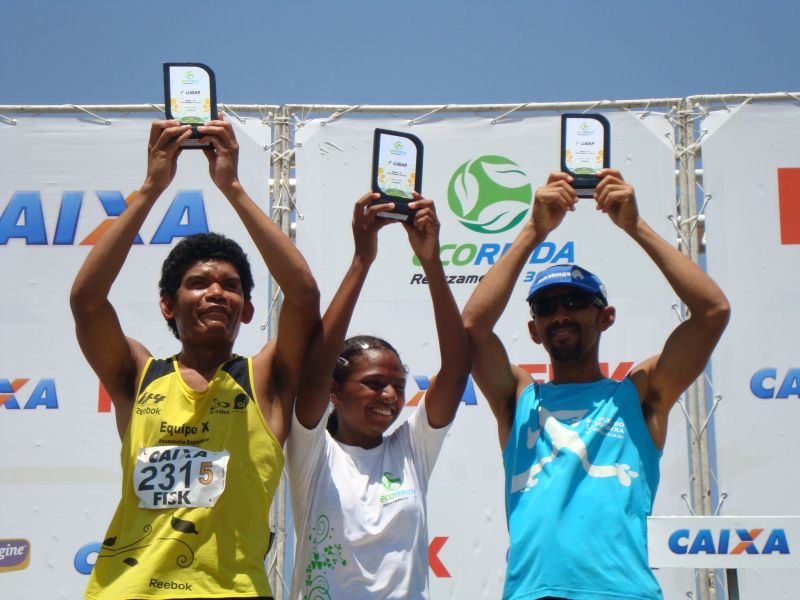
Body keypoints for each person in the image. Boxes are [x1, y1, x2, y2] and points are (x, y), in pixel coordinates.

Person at [71, 118, 319, 600]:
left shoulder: (265, 378)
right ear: (168, 305)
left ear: (247, 310)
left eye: (230, 286)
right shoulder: (138, 375)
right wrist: (151, 186)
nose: (216, 293)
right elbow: (87, 303)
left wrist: (231, 186)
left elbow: (304, 296)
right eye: (199, 283)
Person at [461, 170, 730, 600]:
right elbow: (472, 328)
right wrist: (534, 229)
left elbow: (712, 312)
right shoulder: (519, 397)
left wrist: (635, 226)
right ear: (534, 330)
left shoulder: (638, 394)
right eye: (547, 307)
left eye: (576, 302)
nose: (561, 314)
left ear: (605, 317)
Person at [285, 192, 470, 599]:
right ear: (335, 391)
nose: (389, 395)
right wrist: (361, 261)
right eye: (372, 383)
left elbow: (456, 372)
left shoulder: (411, 449)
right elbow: (314, 369)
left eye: (398, 386)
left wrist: (431, 263)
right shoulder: (312, 451)